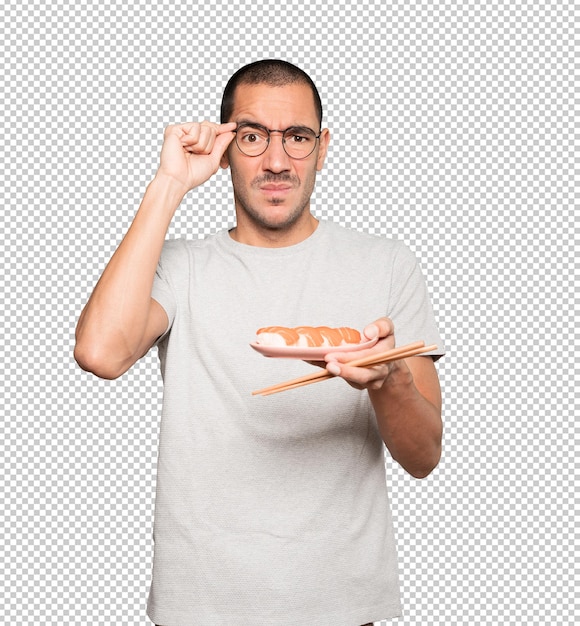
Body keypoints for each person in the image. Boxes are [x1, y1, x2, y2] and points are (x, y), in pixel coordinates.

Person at [74, 59, 444, 626]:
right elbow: (100, 354)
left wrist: (389, 380)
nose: (276, 161)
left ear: (323, 147)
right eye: (252, 138)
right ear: (224, 148)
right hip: (201, 608)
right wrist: (169, 183)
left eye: (296, 138)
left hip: (342, 608)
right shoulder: (180, 266)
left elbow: (423, 457)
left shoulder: (387, 264)